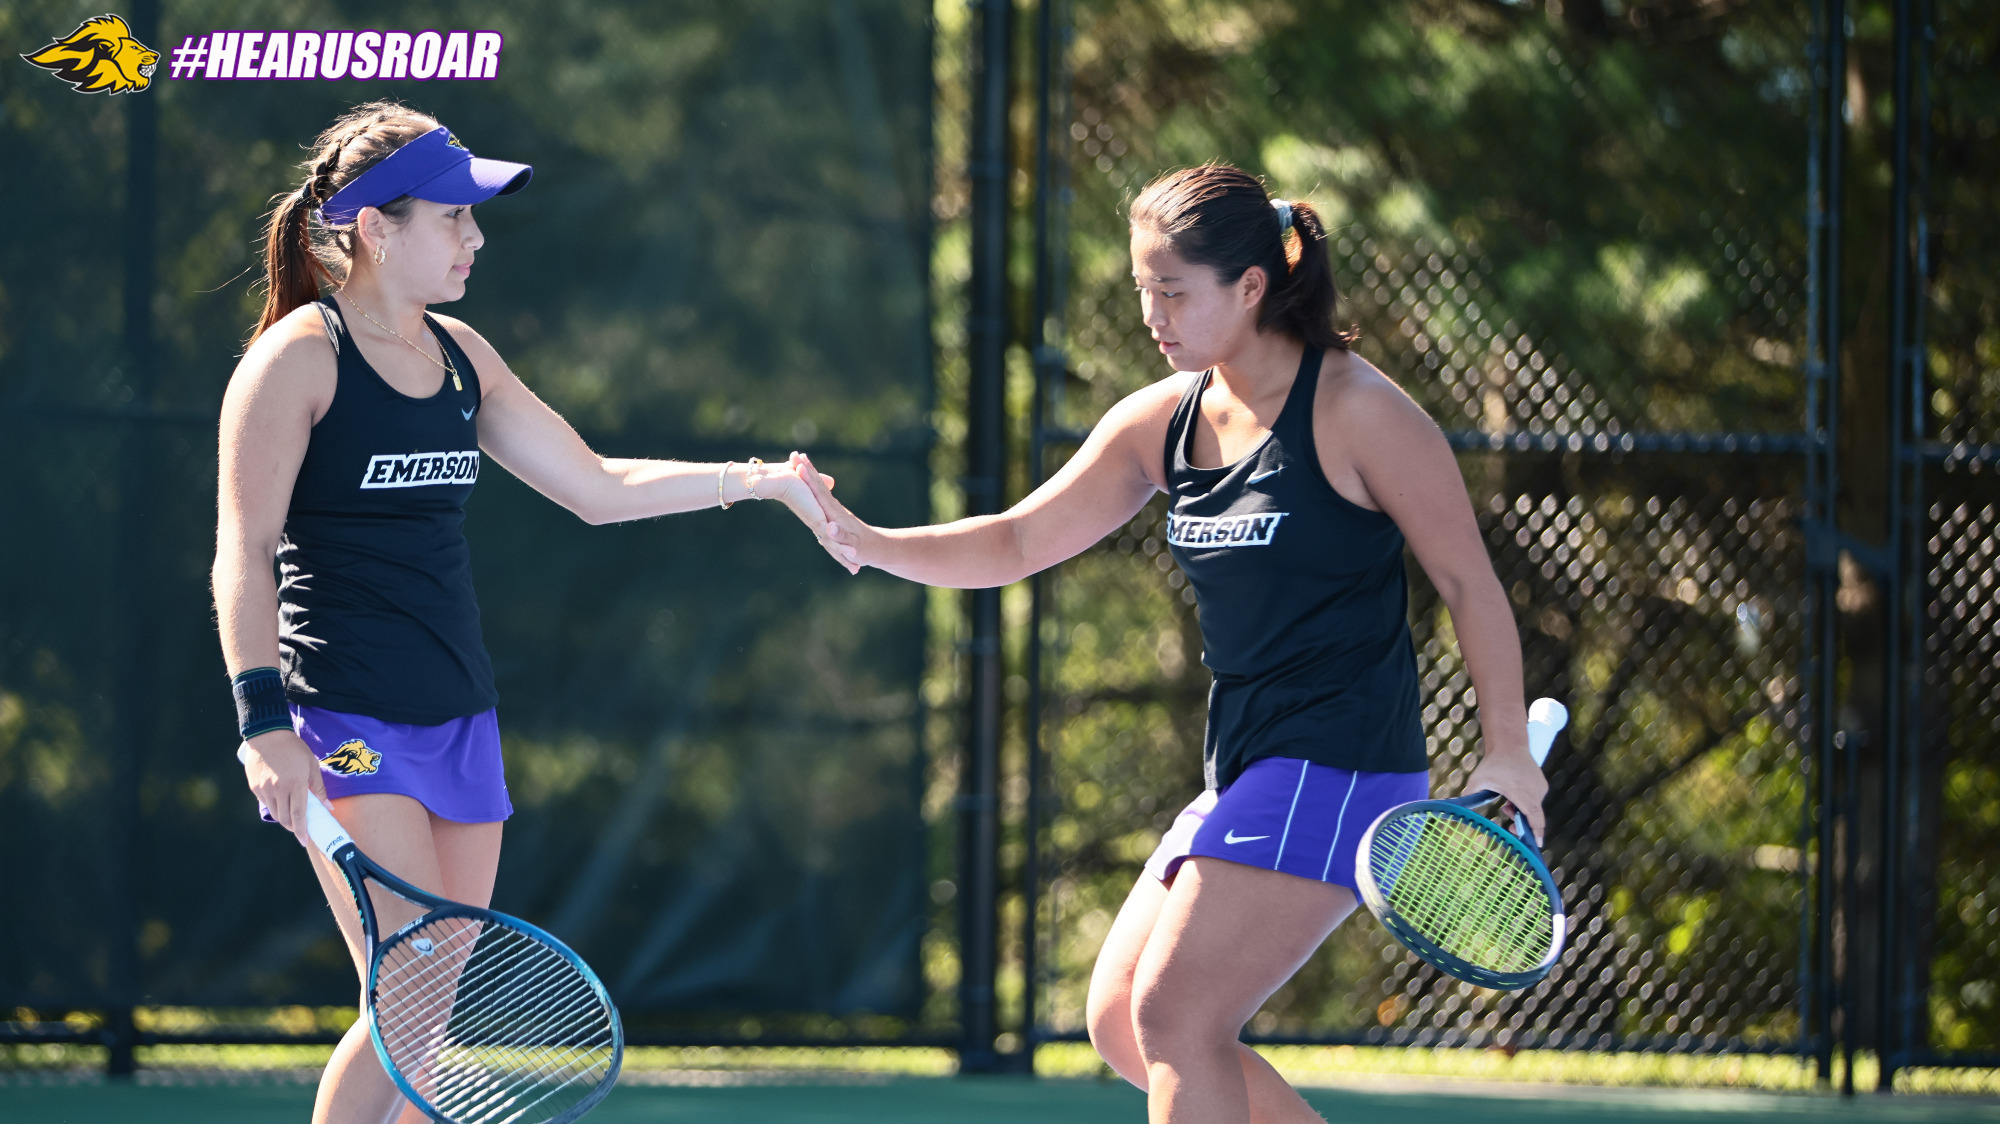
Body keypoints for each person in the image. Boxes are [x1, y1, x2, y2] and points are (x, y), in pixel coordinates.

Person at [795, 163, 1546, 1124]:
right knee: (1121, 1022)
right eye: (1144, 289)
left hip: (1341, 761)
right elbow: (1024, 538)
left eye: (1174, 291)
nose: (1154, 314)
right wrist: (869, 542)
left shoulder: (1362, 412)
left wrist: (1508, 750)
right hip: (1248, 765)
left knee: (1177, 1014)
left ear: (1251, 286)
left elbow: (1468, 586)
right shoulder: (1167, 418)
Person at [213, 101, 836, 1124]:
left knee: (431, 1016)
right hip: (344, 719)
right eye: (453, 217)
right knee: (406, 996)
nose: (476, 236)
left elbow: (596, 486)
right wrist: (261, 722)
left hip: (460, 714)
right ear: (377, 227)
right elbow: (244, 549)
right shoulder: (296, 361)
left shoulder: (463, 355)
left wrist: (760, 478)